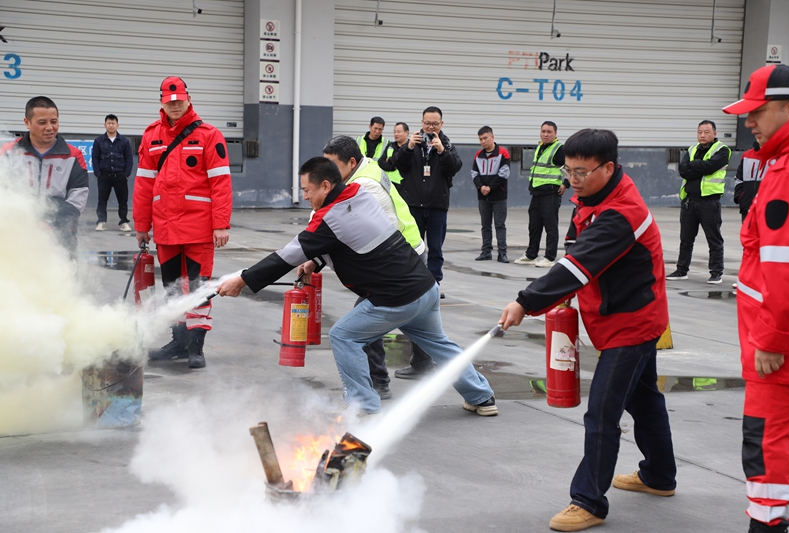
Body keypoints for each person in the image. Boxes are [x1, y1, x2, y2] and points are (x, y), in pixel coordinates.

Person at [217, 156, 498, 417]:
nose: (303, 196)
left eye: (306, 190)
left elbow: (286, 256)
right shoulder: (359, 194)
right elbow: (346, 238)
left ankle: (363, 404)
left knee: (343, 335)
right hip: (425, 287)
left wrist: (242, 280)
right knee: (439, 344)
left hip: (396, 298)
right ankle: (481, 397)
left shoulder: (328, 218)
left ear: (325, 186)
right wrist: (316, 259)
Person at [499, 129, 676, 532]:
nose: (572, 179)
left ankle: (589, 501)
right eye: (568, 170)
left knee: (602, 411)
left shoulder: (621, 212)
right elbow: (578, 254)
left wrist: (526, 302)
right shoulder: (595, 199)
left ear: (608, 167)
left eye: (581, 171)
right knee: (644, 401)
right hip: (619, 316)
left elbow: (577, 266)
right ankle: (659, 476)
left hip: (631, 324)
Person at [722, 63, 789, 533]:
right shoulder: (781, 163)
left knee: (766, 443)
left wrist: (772, 337)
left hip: (778, 350)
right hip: (779, 340)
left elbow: (786, 266)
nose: (748, 122)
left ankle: (766, 527)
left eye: (758, 112)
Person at [134, 76, 233, 369]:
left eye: (179, 100)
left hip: (199, 228)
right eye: (169, 101)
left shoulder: (209, 135)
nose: (175, 105)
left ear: (188, 99)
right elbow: (142, 185)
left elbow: (221, 184)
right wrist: (142, 225)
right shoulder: (151, 136)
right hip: (165, 228)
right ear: (162, 102)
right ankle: (179, 342)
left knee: (198, 286)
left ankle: (196, 347)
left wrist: (221, 224)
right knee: (173, 289)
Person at [322, 135, 426, 400]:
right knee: (423, 324)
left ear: (351, 162)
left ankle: (378, 382)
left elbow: (346, 228)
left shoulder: (362, 185)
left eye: (332, 166)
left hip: (400, 259)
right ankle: (438, 372)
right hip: (412, 248)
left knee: (363, 322)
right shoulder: (368, 166)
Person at [0, 96, 89, 254]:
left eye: (54, 121)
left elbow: (78, 198)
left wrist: (51, 223)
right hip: (17, 236)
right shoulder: (8, 153)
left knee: (61, 277)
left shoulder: (73, 156)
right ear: (27, 122)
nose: (49, 127)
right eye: (42, 122)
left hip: (61, 236)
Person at [394, 106, 462, 296]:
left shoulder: (446, 144)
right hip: (414, 204)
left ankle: (433, 286)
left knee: (435, 249)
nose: (430, 128)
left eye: (434, 124)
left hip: (437, 206)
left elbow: (455, 167)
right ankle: (412, 284)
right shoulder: (412, 143)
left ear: (441, 124)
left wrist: (441, 151)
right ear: (421, 123)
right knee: (412, 247)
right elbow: (397, 163)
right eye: (427, 123)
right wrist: (408, 147)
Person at [666, 120, 731, 284]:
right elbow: (683, 170)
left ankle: (716, 272)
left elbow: (710, 166)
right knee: (686, 239)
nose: (702, 135)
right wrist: (699, 167)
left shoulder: (722, 150)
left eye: (707, 132)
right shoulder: (692, 149)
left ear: (714, 133)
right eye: (700, 131)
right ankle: (682, 270)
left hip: (709, 202)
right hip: (689, 201)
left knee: (713, 238)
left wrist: (694, 166)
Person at [515, 121, 568, 267]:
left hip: (551, 193)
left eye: (549, 132)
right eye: (543, 131)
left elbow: (572, 167)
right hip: (537, 193)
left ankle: (550, 258)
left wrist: (566, 184)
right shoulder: (541, 147)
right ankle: (531, 255)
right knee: (534, 226)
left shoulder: (559, 149)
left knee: (550, 227)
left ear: (555, 134)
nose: (545, 134)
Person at [472, 126, 510, 263]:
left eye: (485, 138)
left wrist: (490, 187)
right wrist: (481, 187)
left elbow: (504, 173)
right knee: (485, 225)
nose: (483, 141)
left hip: (499, 196)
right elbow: (474, 174)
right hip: (483, 197)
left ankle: (502, 253)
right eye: (480, 139)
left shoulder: (503, 153)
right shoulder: (478, 155)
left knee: (500, 225)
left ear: (492, 137)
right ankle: (486, 252)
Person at [92, 113, 133, 232]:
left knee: (122, 201)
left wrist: (126, 174)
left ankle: (124, 222)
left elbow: (129, 158)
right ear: (105, 125)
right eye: (109, 123)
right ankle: (101, 222)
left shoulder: (124, 141)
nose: (111, 125)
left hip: (120, 175)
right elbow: (95, 158)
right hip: (104, 176)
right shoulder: (99, 141)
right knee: (102, 200)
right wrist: (98, 173)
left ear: (117, 125)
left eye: (113, 123)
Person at [733, 142, 772, 223]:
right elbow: (739, 179)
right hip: (747, 207)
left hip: (768, 210)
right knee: (746, 235)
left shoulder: (778, 156)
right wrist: (740, 197)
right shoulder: (747, 155)